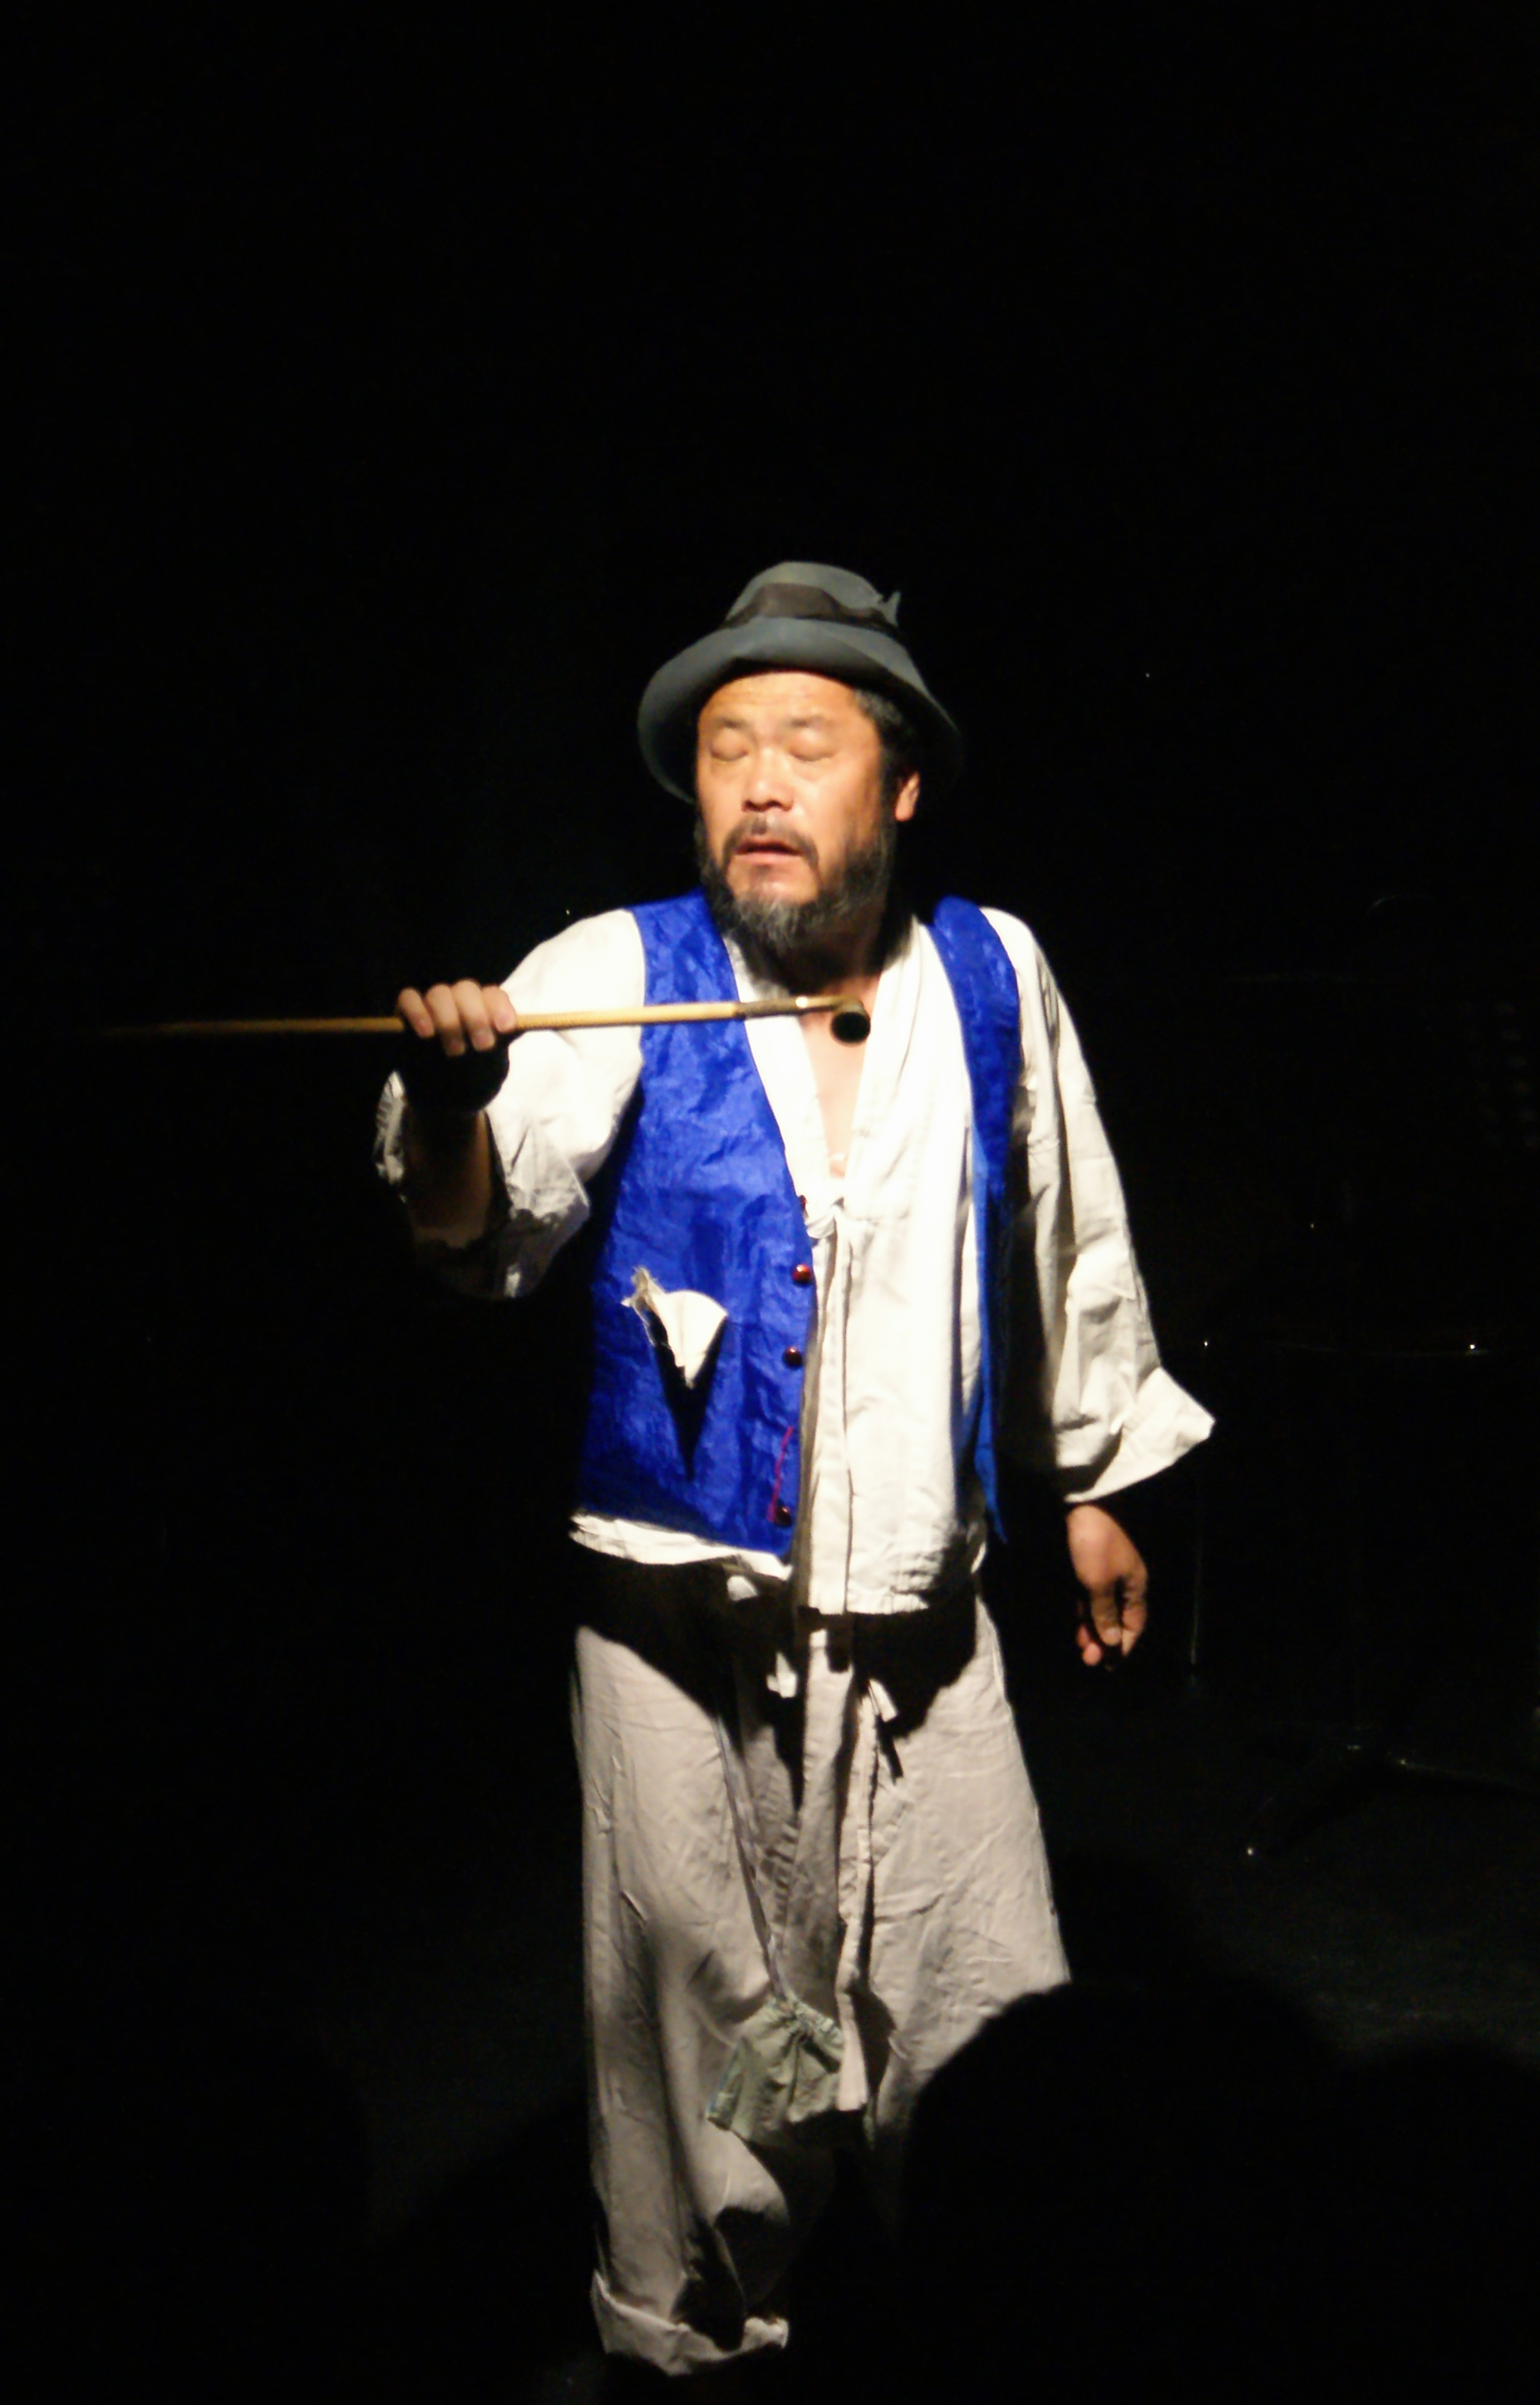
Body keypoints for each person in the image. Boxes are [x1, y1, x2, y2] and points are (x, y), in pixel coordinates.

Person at [377, 563, 1212, 2385]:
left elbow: (1060, 1233)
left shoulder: (989, 972)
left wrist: (1090, 1480)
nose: (757, 779)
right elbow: (474, 1243)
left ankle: (990, 2317)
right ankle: (694, 2341)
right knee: (696, 2026)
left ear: (897, 784)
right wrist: (448, 1105)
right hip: (672, 1630)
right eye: (725, 746)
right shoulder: (613, 974)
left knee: (975, 1988)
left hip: (919, 1614)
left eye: (804, 743)